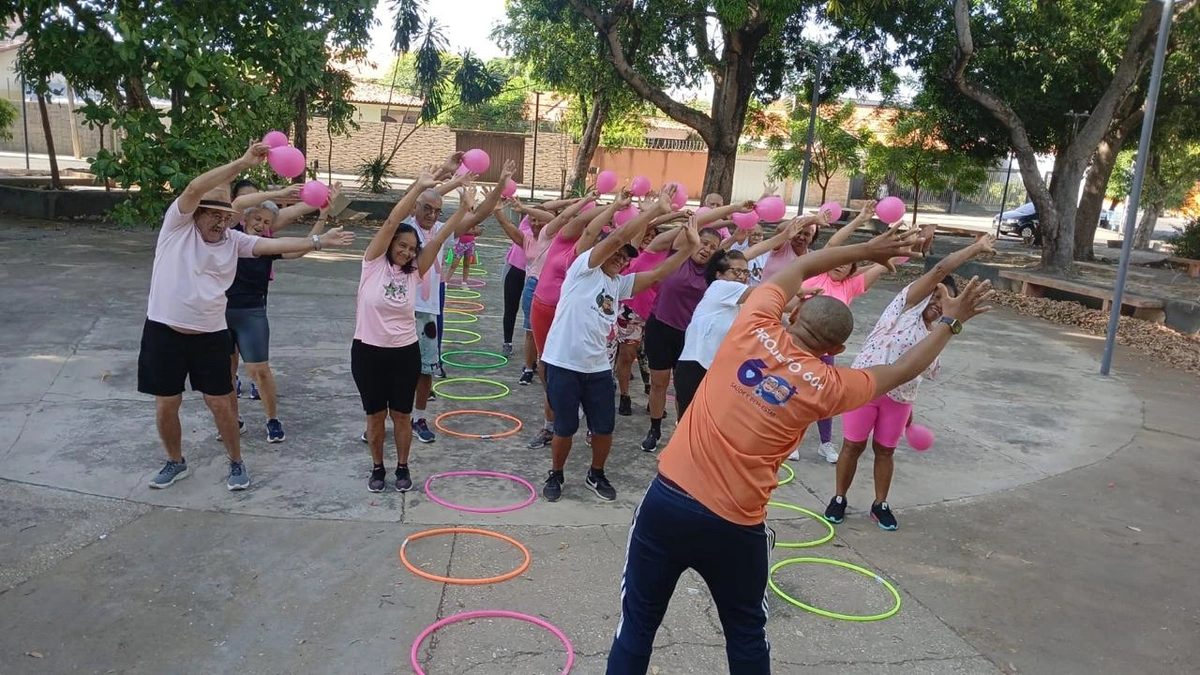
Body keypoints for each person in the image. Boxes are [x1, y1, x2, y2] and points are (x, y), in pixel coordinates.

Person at [605, 226, 996, 675]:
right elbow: (904, 367)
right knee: (747, 636)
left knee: (637, 628)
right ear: (837, 349)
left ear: (796, 314)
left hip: (668, 503)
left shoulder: (752, 323)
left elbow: (803, 266)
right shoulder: (830, 387)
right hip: (735, 526)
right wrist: (951, 321)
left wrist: (869, 249)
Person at [139, 142, 355, 492]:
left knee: (221, 404)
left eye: (227, 218)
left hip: (210, 334)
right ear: (196, 212)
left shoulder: (233, 241)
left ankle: (236, 462)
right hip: (164, 331)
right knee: (166, 404)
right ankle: (175, 462)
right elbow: (195, 188)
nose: (222, 223)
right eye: (214, 215)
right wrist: (242, 163)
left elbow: (273, 246)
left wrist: (318, 242)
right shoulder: (176, 228)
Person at [354, 164, 509, 492]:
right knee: (374, 416)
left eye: (412, 249)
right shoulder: (371, 264)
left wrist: (464, 208)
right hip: (367, 352)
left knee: (400, 414)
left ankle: (402, 467)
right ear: (391, 244)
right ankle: (377, 467)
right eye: (402, 246)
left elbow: (438, 239)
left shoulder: (414, 271)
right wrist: (418, 185)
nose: (407, 251)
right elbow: (392, 220)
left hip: (403, 353)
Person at [825, 234, 996, 530]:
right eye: (936, 296)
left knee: (886, 451)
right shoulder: (902, 310)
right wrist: (975, 248)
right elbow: (940, 269)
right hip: (864, 387)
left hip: (900, 400)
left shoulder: (937, 334)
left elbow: (921, 371)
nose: (938, 303)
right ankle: (839, 498)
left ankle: (880, 504)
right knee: (852, 446)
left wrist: (910, 409)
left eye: (946, 302)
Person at [539, 195, 701, 503]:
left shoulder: (618, 284)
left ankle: (596, 473)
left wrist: (690, 248)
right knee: (565, 427)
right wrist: (654, 211)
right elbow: (617, 236)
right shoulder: (583, 270)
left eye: (627, 258)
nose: (622, 259)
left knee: (604, 428)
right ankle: (556, 473)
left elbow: (656, 275)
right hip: (563, 363)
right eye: (618, 254)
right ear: (604, 250)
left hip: (598, 369)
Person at [224, 194, 339, 444]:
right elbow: (237, 204)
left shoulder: (266, 246)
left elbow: (302, 247)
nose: (261, 224)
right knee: (227, 373)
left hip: (252, 312)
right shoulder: (230, 236)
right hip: (219, 313)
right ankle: (233, 419)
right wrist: (277, 193)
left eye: (267, 222)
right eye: (257, 218)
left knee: (259, 370)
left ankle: (272, 419)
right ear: (245, 218)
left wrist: (322, 214)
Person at [641, 211, 752, 451]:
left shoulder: (716, 277)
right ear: (692, 240)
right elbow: (689, 228)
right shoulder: (677, 257)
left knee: (685, 390)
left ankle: (683, 432)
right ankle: (655, 428)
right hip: (660, 327)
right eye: (703, 243)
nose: (706, 249)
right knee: (659, 383)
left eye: (713, 247)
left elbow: (747, 256)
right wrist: (728, 214)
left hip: (690, 338)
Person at [672, 250, 751, 416]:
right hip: (695, 367)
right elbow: (766, 295)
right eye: (736, 271)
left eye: (745, 272)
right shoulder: (720, 287)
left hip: (716, 371)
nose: (742, 277)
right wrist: (799, 290)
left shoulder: (738, 303)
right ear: (719, 274)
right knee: (690, 427)